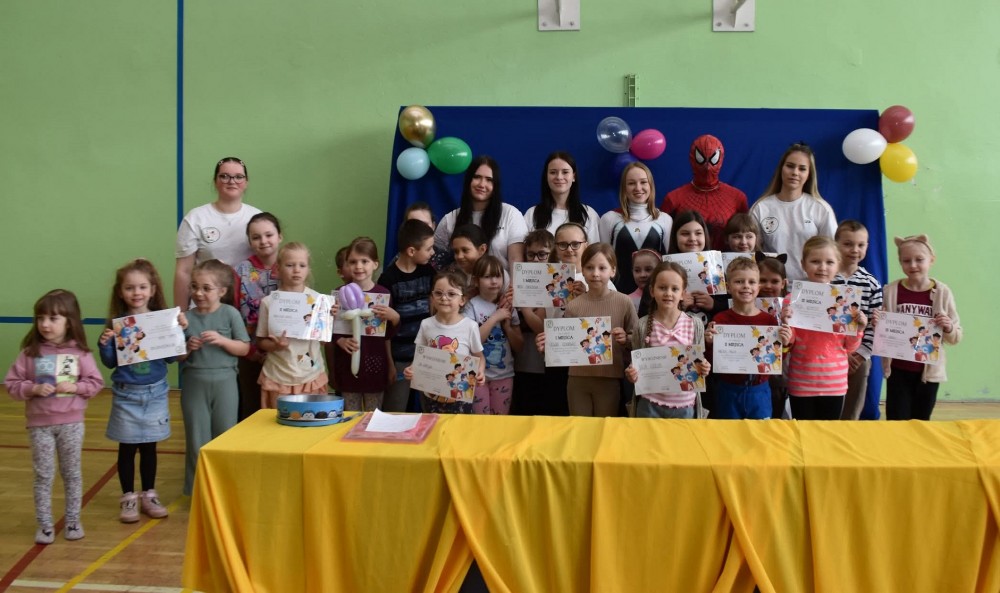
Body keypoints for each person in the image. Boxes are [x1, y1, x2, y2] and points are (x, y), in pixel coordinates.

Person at [5, 289, 104, 544]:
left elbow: (95, 383)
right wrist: (32, 389)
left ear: (69, 321)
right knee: (43, 475)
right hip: (40, 426)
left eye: (53, 318)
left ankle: (73, 521)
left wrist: (76, 387)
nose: (45, 324)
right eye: (40, 318)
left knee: (72, 474)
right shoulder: (30, 353)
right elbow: (12, 384)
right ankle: (45, 525)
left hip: (72, 424)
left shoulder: (81, 353)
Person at [98, 259, 185, 523]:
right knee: (127, 449)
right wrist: (104, 344)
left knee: (149, 447)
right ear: (120, 292)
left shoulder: (163, 321)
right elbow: (110, 362)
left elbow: (172, 358)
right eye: (130, 288)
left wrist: (179, 331)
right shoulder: (118, 325)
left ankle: (149, 494)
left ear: (152, 289)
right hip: (126, 395)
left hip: (156, 394)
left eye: (142, 287)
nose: (136, 292)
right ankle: (128, 497)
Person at [537, 244, 638, 416]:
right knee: (579, 426)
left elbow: (637, 339)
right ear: (582, 270)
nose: (595, 273)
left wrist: (626, 339)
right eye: (590, 268)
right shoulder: (573, 306)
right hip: (577, 379)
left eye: (602, 268)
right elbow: (563, 344)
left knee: (604, 427)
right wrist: (547, 348)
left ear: (613, 270)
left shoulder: (624, 302)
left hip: (609, 379)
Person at [181, 259, 250, 495]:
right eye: (194, 287)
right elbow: (177, 357)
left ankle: (224, 489)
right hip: (194, 383)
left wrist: (222, 341)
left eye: (206, 288)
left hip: (225, 382)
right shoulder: (186, 318)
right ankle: (196, 489)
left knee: (225, 434)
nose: (198, 293)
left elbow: (244, 348)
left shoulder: (230, 314)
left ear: (222, 291)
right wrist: (188, 347)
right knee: (196, 437)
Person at [780, 237, 866, 420]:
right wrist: (786, 326)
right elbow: (790, 343)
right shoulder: (791, 300)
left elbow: (850, 347)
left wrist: (858, 328)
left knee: (827, 434)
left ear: (838, 265)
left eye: (829, 262)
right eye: (815, 261)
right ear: (803, 264)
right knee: (803, 432)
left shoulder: (845, 302)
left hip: (834, 383)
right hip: (801, 382)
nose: (822, 267)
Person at [879, 235, 961, 420]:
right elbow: (883, 332)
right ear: (900, 262)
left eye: (919, 259)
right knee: (897, 420)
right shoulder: (890, 291)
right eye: (906, 260)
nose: (913, 265)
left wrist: (948, 327)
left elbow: (955, 337)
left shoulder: (942, 292)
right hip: (898, 370)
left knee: (921, 422)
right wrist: (878, 322)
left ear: (931, 260)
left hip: (928, 373)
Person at [175, 157, 262, 310]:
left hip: (249, 307)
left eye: (238, 177)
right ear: (215, 181)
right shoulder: (195, 218)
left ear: (246, 182)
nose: (232, 181)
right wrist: (180, 314)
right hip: (205, 308)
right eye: (224, 176)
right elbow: (184, 272)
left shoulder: (258, 218)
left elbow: (268, 264)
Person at [625, 262, 709, 418]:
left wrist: (704, 367)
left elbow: (700, 359)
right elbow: (636, 362)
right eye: (662, 288)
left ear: (683, 293)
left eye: (675, 289)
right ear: (652, 291)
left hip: (685, 406)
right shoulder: (642, 325)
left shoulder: (694, 324)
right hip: (649, 405)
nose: (668, 293)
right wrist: (632, 372)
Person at [256, 243, 329, 409]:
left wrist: (328, 319)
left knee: (312, 420)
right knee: (279, 422)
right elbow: (260, 341)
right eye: (290, 265)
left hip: (311, 375)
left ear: (308, 269)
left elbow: (324, 342)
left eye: (302, 265)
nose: (296, 270)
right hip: (278, 375)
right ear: (278, 269)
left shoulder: (318, 300)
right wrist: (276, 345)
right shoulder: (269, 302)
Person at [749, 143, 837, 281]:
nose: (795, 172)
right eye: (790, 166)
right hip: (771, 287)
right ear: (781, 169)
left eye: (802, 169)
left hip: (811, 288)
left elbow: (833, 253)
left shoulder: (820, 209)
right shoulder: (761, 208)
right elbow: (751, 253)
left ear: (809, 174)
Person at [403, 270, 486, 413]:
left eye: (451, 294)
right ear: (432, 298)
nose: (444, 298)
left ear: (462, 300)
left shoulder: (470, 326)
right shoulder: (426, 324)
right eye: (438, 293)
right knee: (432, 426)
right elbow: (419, 356)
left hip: (459, 395)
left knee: (458, 426)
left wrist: (480, 371)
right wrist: (411, 369)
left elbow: (479, 356)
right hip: (430, 394)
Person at [705, 258, 778, 419]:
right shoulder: (720, 319)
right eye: (739, 281)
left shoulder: (769, 321)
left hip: (760, 391)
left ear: (758, 287)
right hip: (728, 390)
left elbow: (776, 361)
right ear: (728, 287)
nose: (746, 286)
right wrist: (709, 344)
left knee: (760, 432)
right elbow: (713, 362)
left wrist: (785, 344)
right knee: (729, 432)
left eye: (752, 282)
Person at [332, 237, 399, 412]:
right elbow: (328, 329)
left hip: (374, 366)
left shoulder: (383, 294)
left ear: (375, 264)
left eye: (364, 261)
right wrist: (339, 340)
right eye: (353, 262)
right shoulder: (339, 294)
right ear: (347, 264)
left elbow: (388, 335)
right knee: (350, 415)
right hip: (347, 366)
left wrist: (395, 318)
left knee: (373, 415)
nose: (358, 266)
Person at [379, 219, 436, 412]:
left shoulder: (429, 272)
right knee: (395, 410)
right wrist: (389, 363)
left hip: (427, 356)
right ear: (412, 251)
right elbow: (383, 329)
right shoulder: (388, 280)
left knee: (431, 409)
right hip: (399, 359)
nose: (433, 253)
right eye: (429, 249)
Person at [433, 156, 527, 271]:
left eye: (489, 180)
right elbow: (436, 263)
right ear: (468, 180)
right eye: (477, 177)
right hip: (461, 282)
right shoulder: (450, 219)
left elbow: (517, 261)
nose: (482, 184)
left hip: (504, 283)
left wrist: (512, 283)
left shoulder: (511, 214)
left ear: (495, 185)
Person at [660, 134, 749, 251]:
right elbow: (663, 238)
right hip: (685, 261)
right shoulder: (673, 199)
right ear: (693, 158)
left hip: (728, 261)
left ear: (720, 158)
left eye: (713, 159)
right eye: (701, 159)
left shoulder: (737, 198)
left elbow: (747, 235)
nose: (707, 167)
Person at [233, 212, 282, 421]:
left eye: (269, 235)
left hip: (284, 354)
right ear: (250, 241)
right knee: (252, 409)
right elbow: (234, 313)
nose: (263, 241)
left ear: (279, 236)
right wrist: (250, 351)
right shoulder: (240, 271)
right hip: (250, 353)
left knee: (281, 410)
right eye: (256, 237)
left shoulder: (291, 266)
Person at [832, 220, 883, 420]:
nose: (855, 250)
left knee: (861, 372)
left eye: (860, 245)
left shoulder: (871, 284)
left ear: (867, 246)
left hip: (857, 355)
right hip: (827, 352)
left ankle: (849, 425)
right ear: (836, 244)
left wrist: (861, 354)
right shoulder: (826, 279)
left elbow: (874, 326)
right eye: (848, 244)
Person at [599, 162, 672, 294]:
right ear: (624, 188)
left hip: (655, 296)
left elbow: (669, 261)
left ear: (650, 185)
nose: (638, 188)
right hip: (618, 293)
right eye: (631, 183)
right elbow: (602, 262)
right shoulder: (609, 219)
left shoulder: (664, 219)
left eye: (643, 182)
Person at [465, 255, 523, 415]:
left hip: (504, 375)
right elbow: (472, 343)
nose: (494, 281)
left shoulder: (509, 306)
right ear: (476, 281)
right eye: (487, 277)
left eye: (497, 276)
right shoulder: (471, 306)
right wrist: (495, 318)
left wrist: (507, 327)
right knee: (480, 420)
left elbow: (519, 346)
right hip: (477, 375)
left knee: (500, 420)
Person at [511, 229, 555, 415]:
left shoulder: (557, 283)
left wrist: (525, 308)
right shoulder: (516, 281)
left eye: (542, 254)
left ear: (552, 255)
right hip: (522, 361)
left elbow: (542, 327)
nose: (536, 260)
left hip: (548, 363)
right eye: (531, 255)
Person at [524, 151, 601, 243]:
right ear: (546, 177)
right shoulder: (532, 214)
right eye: (553, 172)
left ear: (574, 176)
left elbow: (594, 251)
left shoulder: (589, 214)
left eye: (565, 172)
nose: (559, 177)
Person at [757, 254, 790, 419]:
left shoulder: (791, 308)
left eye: (775, 281)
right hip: (752, 377)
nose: (768, 286)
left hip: (779, 376)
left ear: (783, 283)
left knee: (776, 418)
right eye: (762, 280)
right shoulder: (744, 304)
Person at [400, 201, 452, 270]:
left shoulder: (445, 260)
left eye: (425, 224)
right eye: (414, 225)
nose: (420, 230)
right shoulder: (399, 261)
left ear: (433, 226)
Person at [628, 249, 661, 313]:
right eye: (637, 270)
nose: (642, 275)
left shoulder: (665, 297)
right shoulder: (628, 300)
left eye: (648, 269)